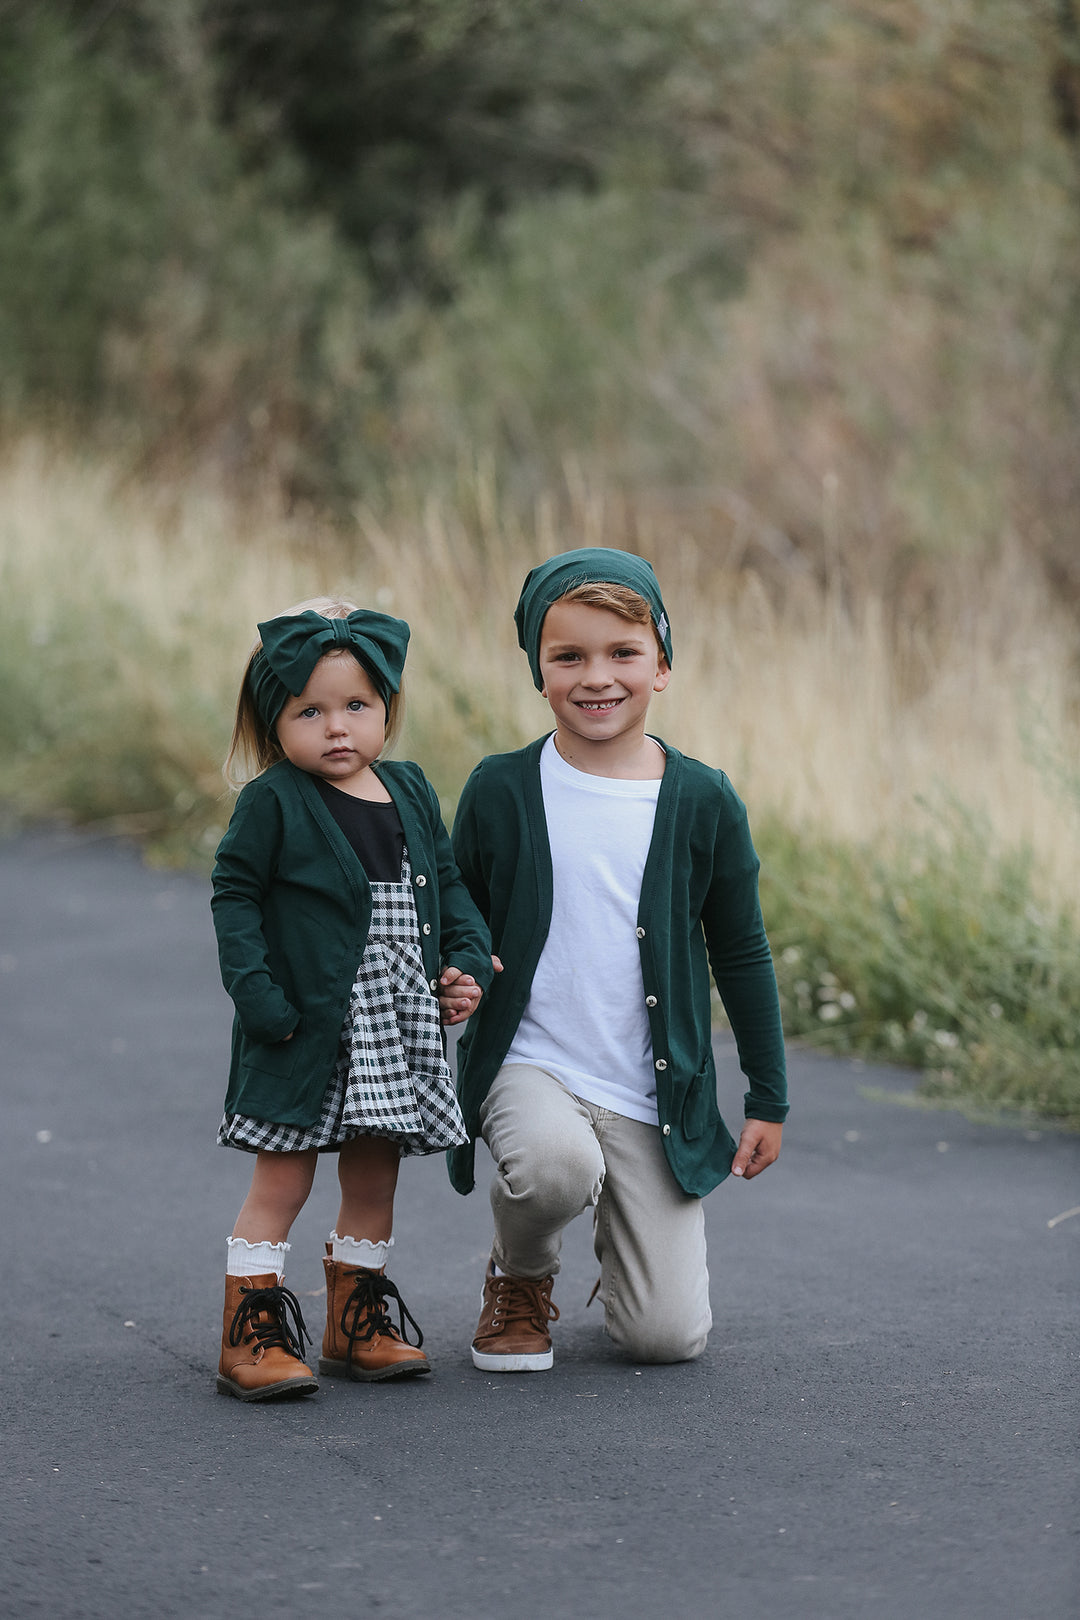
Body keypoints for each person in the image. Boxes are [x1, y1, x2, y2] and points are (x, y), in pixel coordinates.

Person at [449, 548, 787, 1371]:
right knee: (557, 1170)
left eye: (623, 654)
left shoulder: (703, 800)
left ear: (662, 665)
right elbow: (456, 917)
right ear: (538, 670)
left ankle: (625, 1232)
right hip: (532, 1064)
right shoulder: (500, 789)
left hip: (648, 1090)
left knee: (665, 1340)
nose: (597, 678)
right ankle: (520, 1275)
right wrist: (451, 978)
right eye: (569, 656)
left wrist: (768, 1096)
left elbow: (741, 949)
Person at [211, 597, 492, 1401]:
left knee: (375, 1175)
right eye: (311, 711)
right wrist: (258, 996)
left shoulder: (407, 789)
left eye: (356, 707)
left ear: (385, 710)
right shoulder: (273, 802)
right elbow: (234, 896)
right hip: (304, 1025)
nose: (337, 728)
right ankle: (253, 1330)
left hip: (394, 1025)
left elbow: (449, 887)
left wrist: (466, 961)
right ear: (275, 722)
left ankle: (354, 1318)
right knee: (285, 1179)